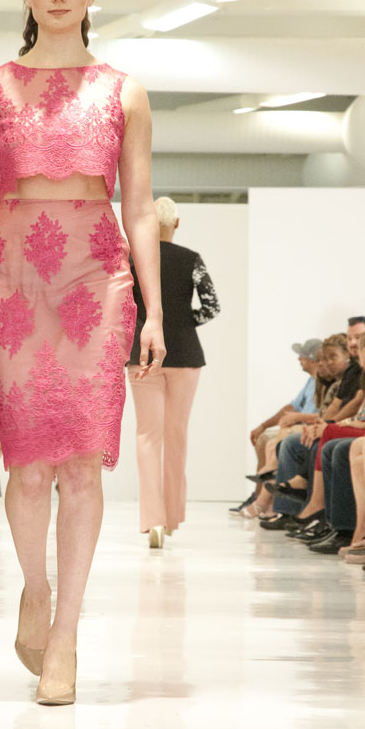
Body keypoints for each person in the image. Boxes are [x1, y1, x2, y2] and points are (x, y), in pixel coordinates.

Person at [0, 0, 165, 706]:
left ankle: (66, 632)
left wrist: (154, 311)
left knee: (80, 462)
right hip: (12, 279)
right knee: (30, 461)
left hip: (97, 279)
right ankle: (34, 590)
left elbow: (141, 207)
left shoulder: (125, 92)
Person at [127, 195, 219, 547]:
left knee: (147, 436)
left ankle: (152, 520)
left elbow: (122, 305)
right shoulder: (191, 259)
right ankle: (171, 517)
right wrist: (183, 322)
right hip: (186, 355)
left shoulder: (133, 260)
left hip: (143, 354)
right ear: (176, 224)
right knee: (176, 436)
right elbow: (212, 306)